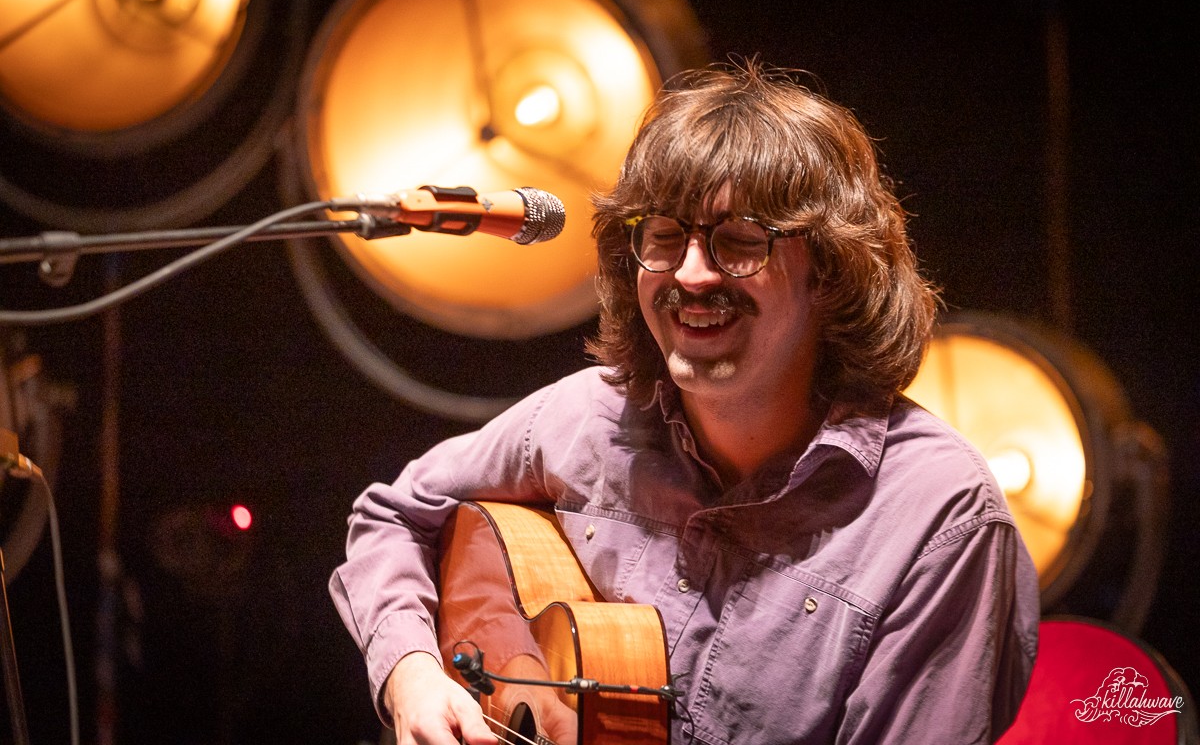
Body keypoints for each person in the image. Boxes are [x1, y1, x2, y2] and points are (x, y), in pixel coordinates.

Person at [329, 60, 1040, 745]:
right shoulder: (588, 417)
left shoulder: (940, 518)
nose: (692, 275)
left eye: (740, 242)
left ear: (830, 271)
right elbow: (394, 516)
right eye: (664, 237)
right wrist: (411, 677)